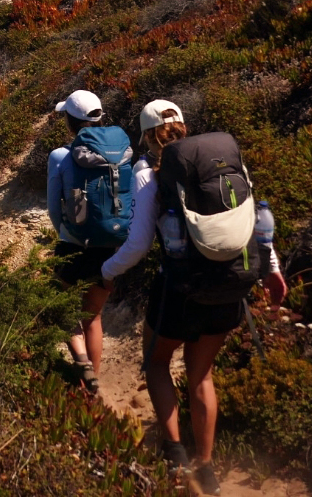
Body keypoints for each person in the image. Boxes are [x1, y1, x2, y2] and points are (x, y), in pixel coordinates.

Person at [99, 100, 287, 496]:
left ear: (147, 134)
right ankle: (207, 466)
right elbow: (254, 217)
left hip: (179, 290)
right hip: (231, 284)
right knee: (201, 375)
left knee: (156, 362)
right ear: (184, 126)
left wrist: (108, 272)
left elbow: (137, 244)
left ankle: (175, 455)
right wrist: (272, 270)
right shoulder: (222, 161)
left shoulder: (149, 173)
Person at [46, 89, 130, 394]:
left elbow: (55, 208)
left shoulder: (60, 156)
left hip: (72, 244)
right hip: (109, 247)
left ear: (69, 122)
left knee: (62, 309)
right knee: (93, 316)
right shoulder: (120, 154)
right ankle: (90, 386)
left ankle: (80, 361)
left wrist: (66, 234)